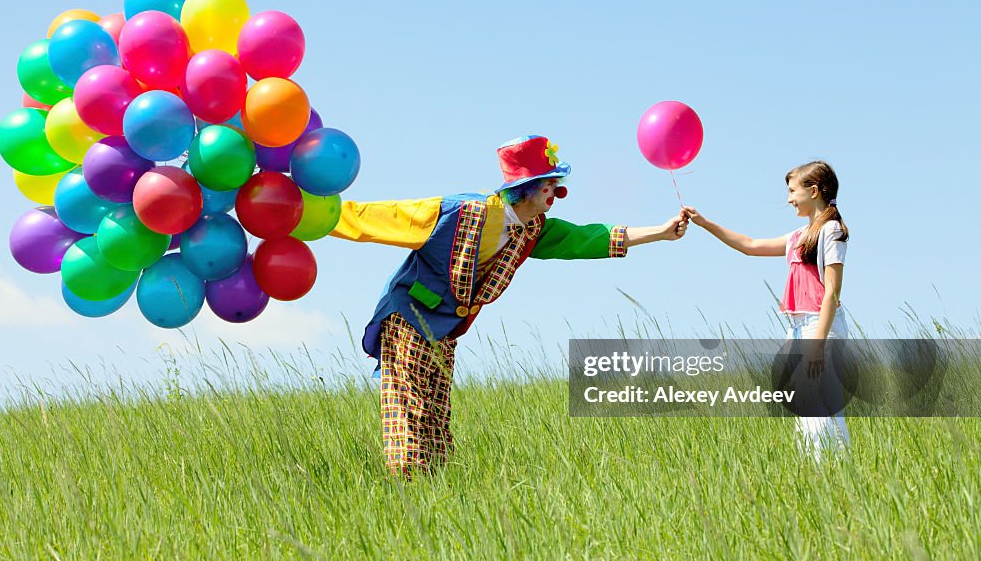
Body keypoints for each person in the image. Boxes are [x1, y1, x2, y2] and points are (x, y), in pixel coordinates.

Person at [328, 135, 689, 477]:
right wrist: (311, 214)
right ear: (526, 188)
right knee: (411, 411)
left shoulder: (533, 230)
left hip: (446, 331)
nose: (555, 193)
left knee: (436, 418)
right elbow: (379, 217)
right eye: (548, 184)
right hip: (408, 317)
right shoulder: (458, 211)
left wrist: (659, 232)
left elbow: (586, 238)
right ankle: (406, 488)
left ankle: (433, 490)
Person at [682, 160, 850, 460]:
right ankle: (815, 475)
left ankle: (835, 472)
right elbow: (750, 244)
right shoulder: (798, 236)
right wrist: (705, 224)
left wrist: (816, 345)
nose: (788, 199)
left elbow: (832, 293)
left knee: (822, 410)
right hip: (799, 327)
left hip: (819, 327)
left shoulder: (831, 230)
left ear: (813, 191)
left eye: (792, 191)